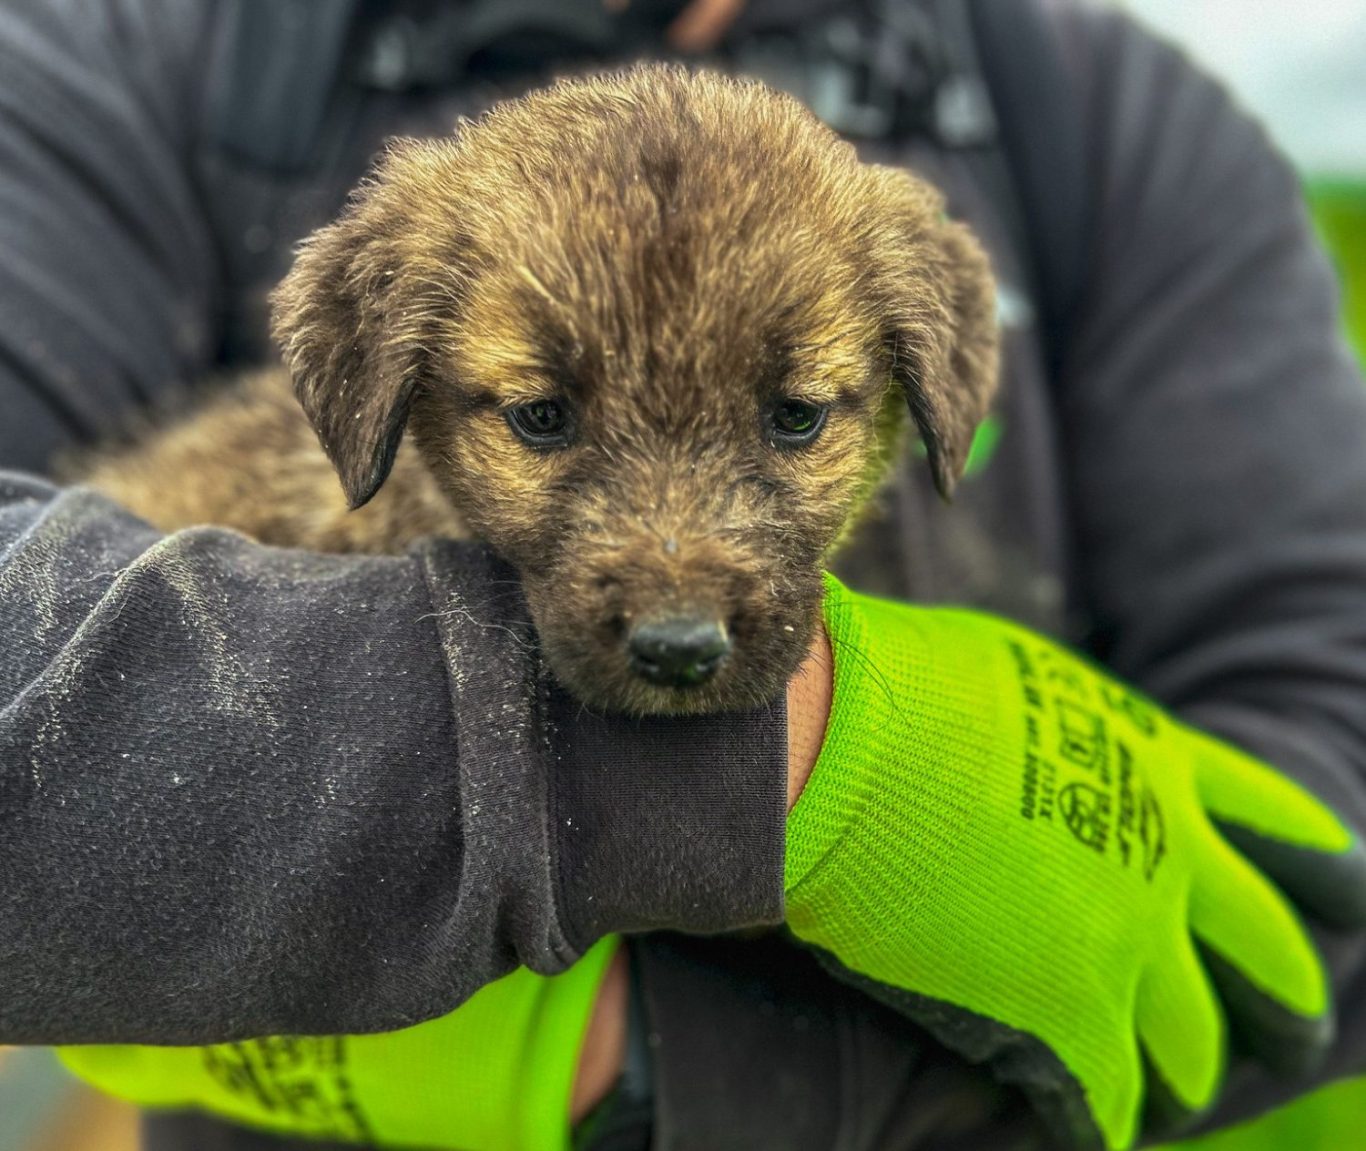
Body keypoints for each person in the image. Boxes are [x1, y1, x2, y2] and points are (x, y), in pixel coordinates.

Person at [3, 1, 1366, 1149]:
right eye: (541, 415)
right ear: (378, 389)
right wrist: (772, 764)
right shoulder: (133, 58)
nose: (674, 591)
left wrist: (701, 1071)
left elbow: (1325, 775)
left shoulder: (1096, 120)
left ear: (925, 389)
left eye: (793, 420)